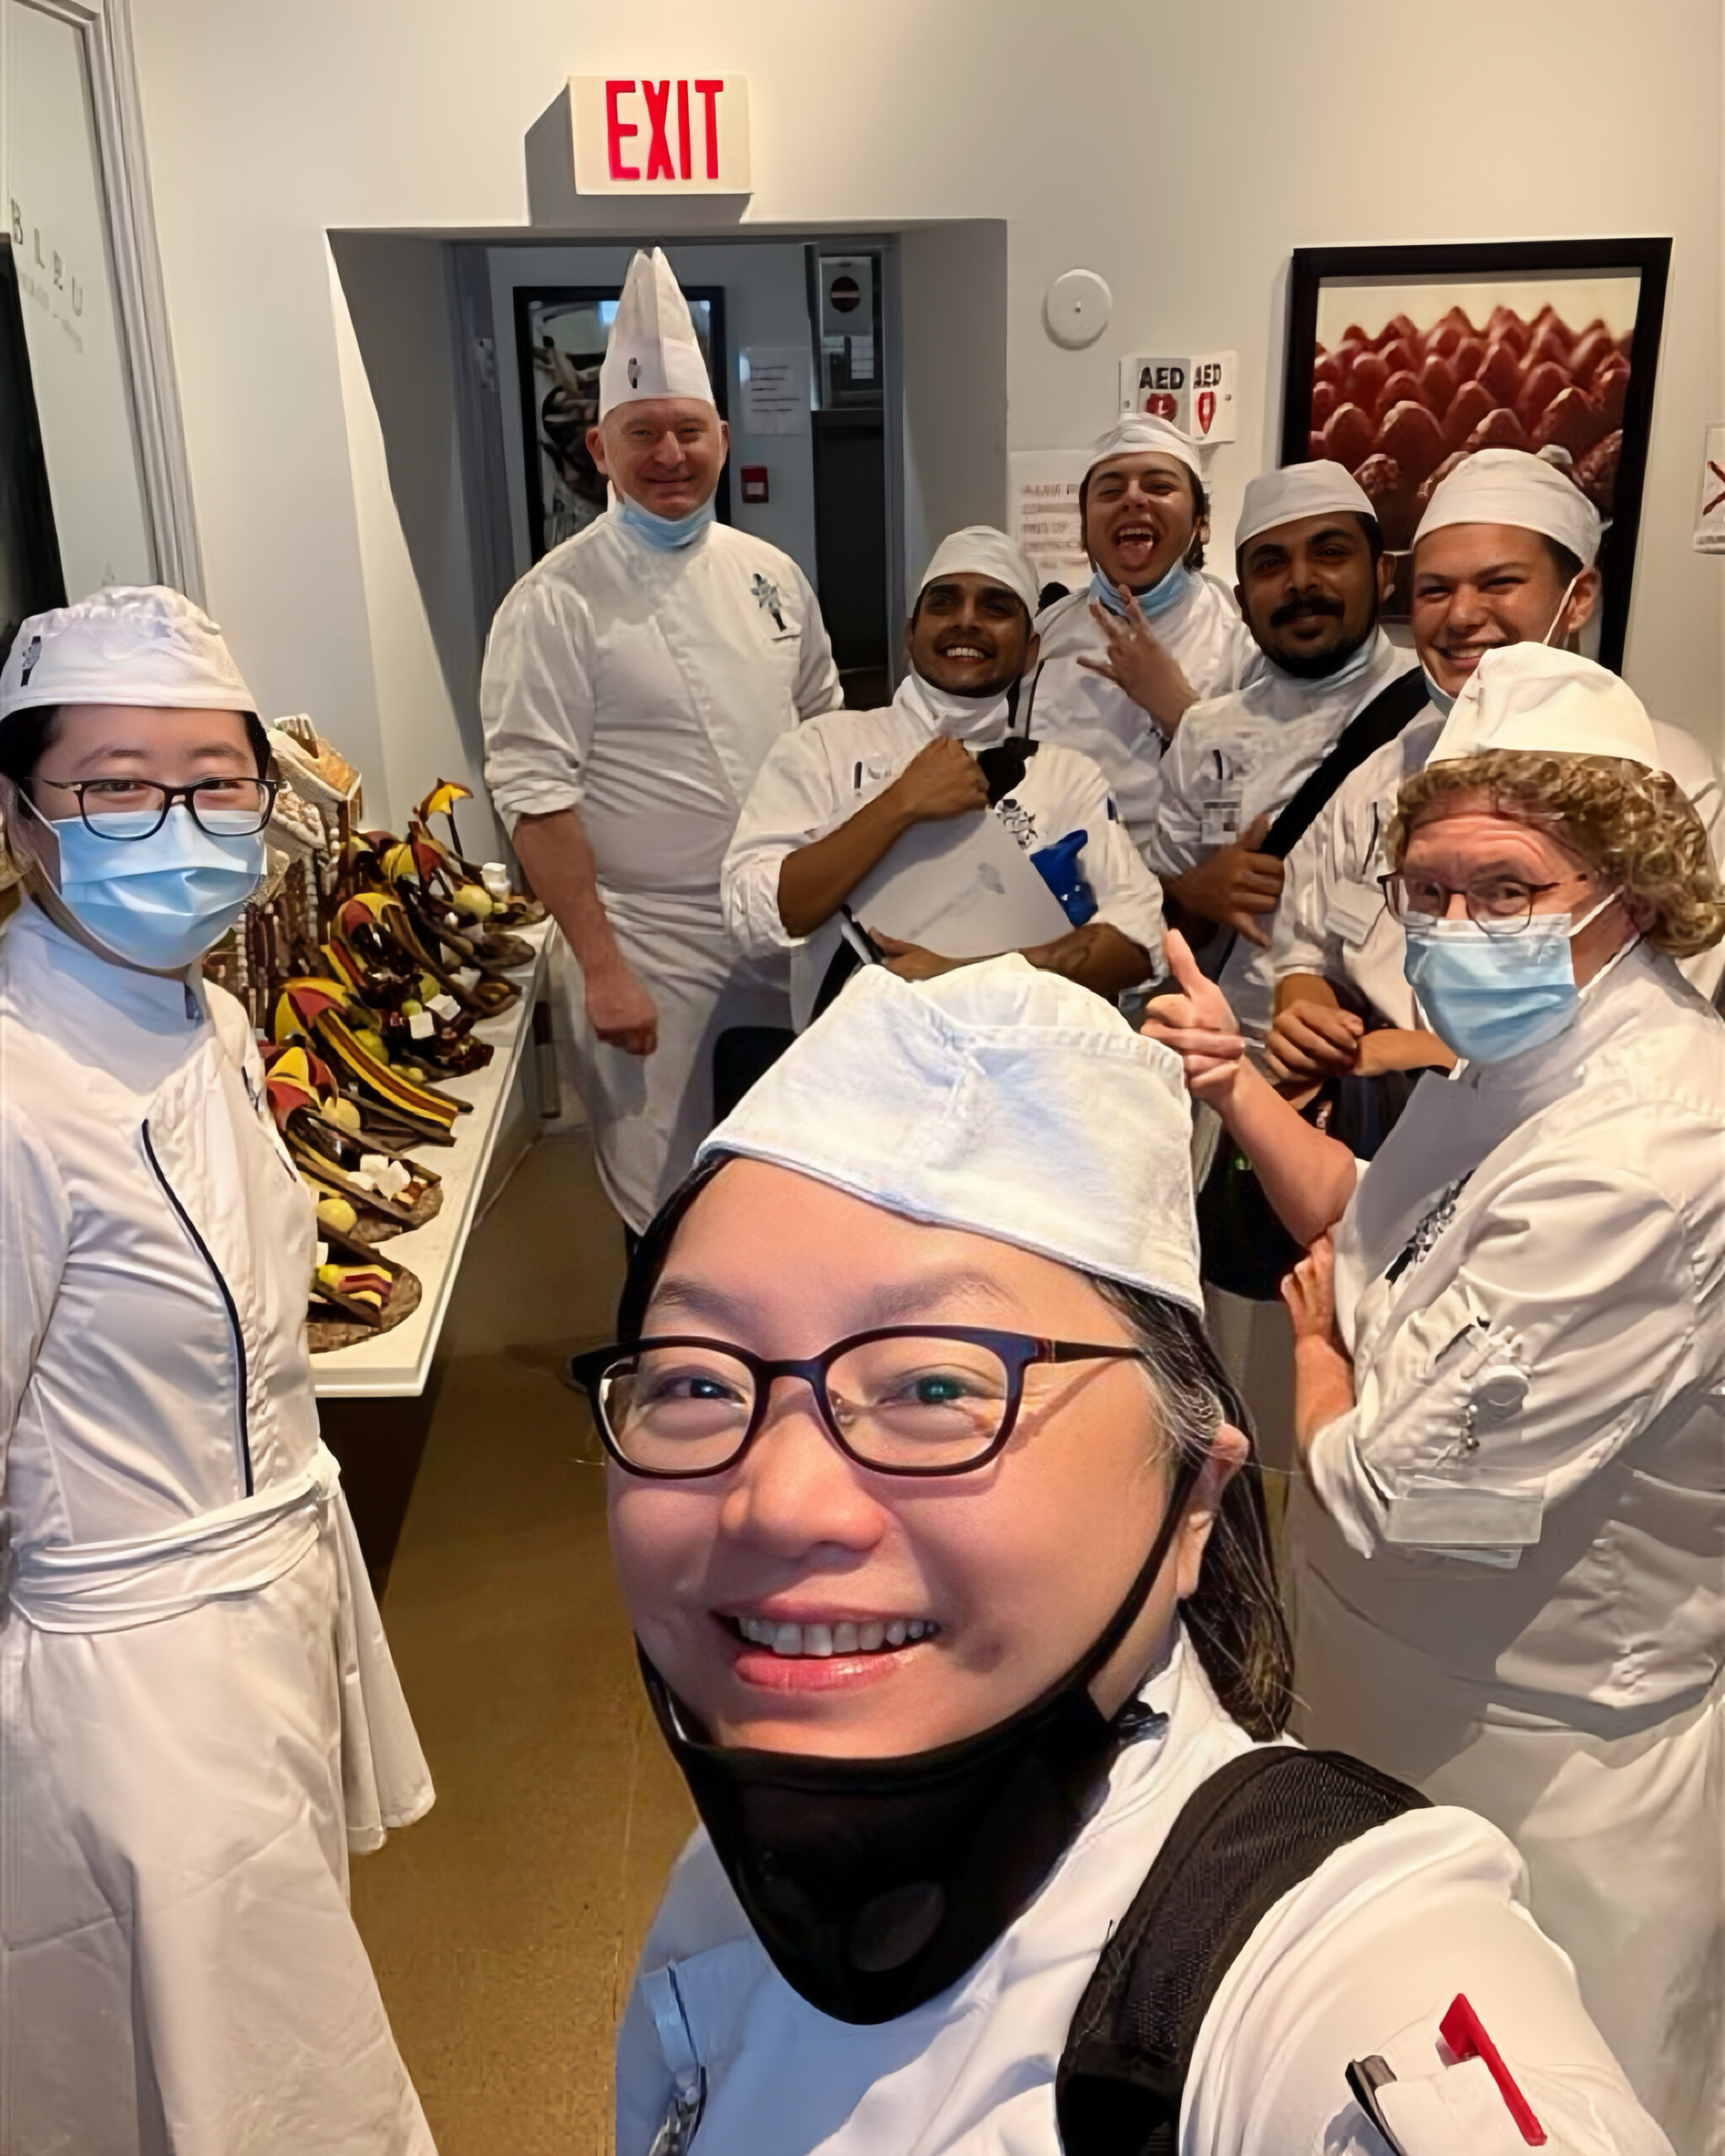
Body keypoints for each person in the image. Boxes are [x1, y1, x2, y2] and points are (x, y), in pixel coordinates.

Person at [581, 957, 1671, 2156]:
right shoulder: (732, 1869)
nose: (776, 1506)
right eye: (693, 1377)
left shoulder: (1319, 1986)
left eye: (938, 1385)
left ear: (1194, 1494)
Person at [1142, 643, 1725, 2154]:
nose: (1457, 928)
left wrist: (1326, 1361)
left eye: (1509, 890)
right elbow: (1366, 1215)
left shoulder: (1648, 1152)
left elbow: (1408, 1502)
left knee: (1533, 2096)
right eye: (1432, 890)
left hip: (1542, 1747)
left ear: (1633, 891)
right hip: (1394, 1690)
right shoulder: (1505, 1061)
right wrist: (1233, 1088)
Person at [0, 587, 435, 2153]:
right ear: (23, 814)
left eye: (215, 779)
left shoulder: (217, 1024)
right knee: (248, 2086)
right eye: (114, 784)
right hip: (128, 1689)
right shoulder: (17, 1098)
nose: (173, 822)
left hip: (277, 1614)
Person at [480, 246, 841, 1235]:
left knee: (787, 1181)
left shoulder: (770, 570)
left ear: (721, 437)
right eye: (643, 433)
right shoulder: (553, 601)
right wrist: (600, 964)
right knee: (670, 1202)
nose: (669, 454)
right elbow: (533, 796)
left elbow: (821, 727)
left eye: (687, 430)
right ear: (600, 451)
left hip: (785, 930)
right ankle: (660, 1376)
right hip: (652, 947)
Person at [1268, 448, 1725, 1089]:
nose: (1460, 616)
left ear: (1578, 597)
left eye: (1499, 583)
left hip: (1562, 1119)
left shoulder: (1662, 780)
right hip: (1368, 1115)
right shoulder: (1381, 773)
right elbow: (1308, 943)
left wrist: (1428, 1056)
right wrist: (1304, 1004)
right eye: (1435, 590)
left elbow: (1665, 1010)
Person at [722, 526, 1164, 1022]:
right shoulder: (823, 748)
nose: (967, 621)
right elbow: (753, 917)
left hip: (1017, 1078)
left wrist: (976, 969)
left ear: (1030, 650)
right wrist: (900, 804)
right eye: (945, 603)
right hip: (857, 1074)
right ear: (911, 633)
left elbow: (1139, 941)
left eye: (996, 607)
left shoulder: (1066, 777)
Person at [1146, 460, 1417, 1042]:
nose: (1300, 581)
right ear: (1243, 601)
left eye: (1330, 553)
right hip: (1232, 1054)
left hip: (1393, 1062)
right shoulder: (1206, 734)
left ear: (1383, 573)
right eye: (1272, 564)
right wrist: (1193, 893)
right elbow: (1156, 920)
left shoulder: (1438, 716)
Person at [1021, 415, 1258, 860]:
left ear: (1200, 524)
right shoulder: (1042, 636)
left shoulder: (1242, 643)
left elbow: (1256, 805)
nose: (1133, 498)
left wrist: (1184, 717)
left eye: (1159, 486)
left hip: (1186, 908)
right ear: (1083, 531)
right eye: (1110, 490)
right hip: (1051, 904)